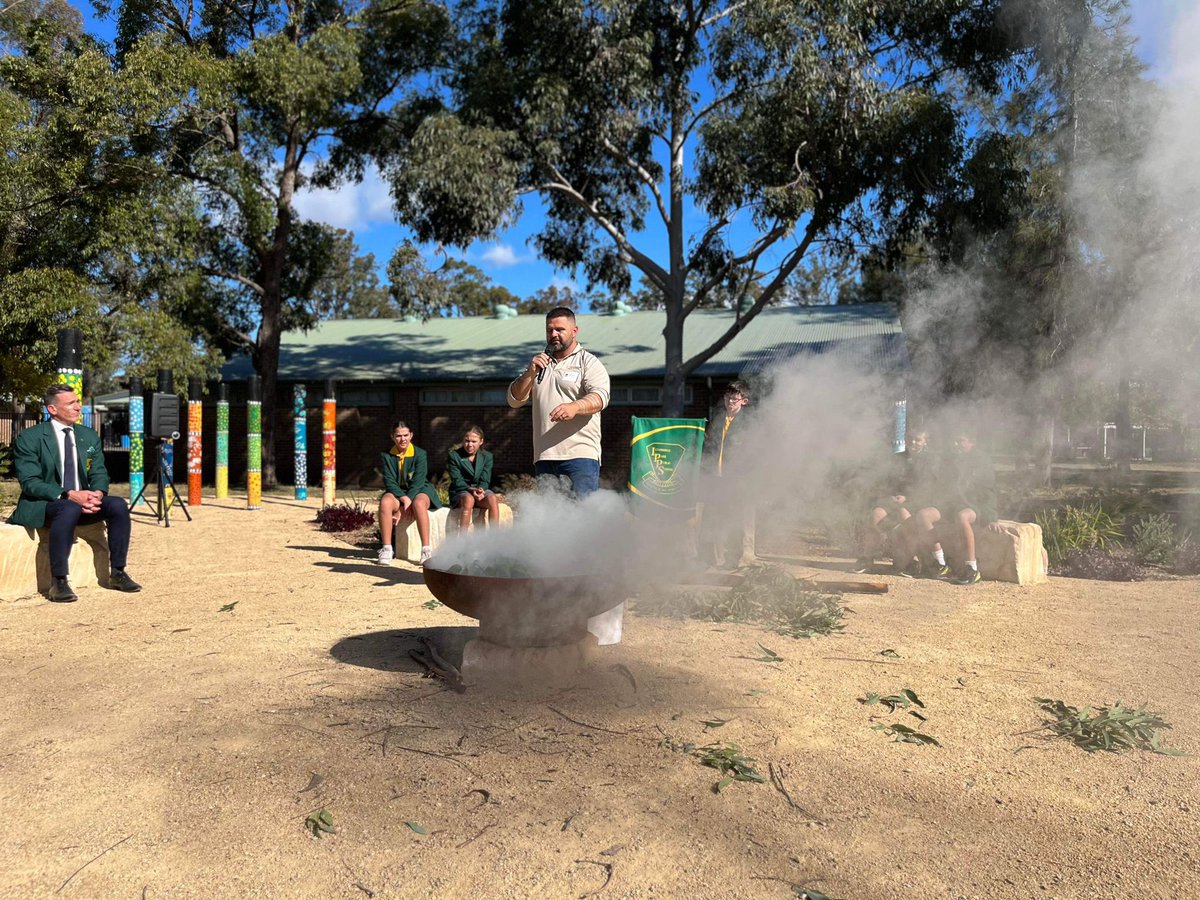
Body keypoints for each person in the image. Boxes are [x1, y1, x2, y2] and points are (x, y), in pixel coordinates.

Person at [8, 384, 142, 602]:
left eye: (78, 401)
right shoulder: (30, 438)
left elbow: (99, 471)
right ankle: (59, 582)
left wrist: (97, 493)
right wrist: (68, 494)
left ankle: (118, 572)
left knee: (117, 504)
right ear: (52, 409)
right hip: (47, 502)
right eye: (71, 403)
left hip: (83, 501)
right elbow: (30, 483)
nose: (78, 407)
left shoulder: (87, 436)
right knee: (69, 507)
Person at [507, 306, 611, 497]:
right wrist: (530, 373)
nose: (553, 334)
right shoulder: (539, 364)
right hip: (544, 457)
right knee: (552, 522)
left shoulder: (589, 362)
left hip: (580, 457)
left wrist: (575, 406)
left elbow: (600, 397)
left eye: (560, 330)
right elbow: (514, 400)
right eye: (549, 330)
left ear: (574, 331)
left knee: (582, 518)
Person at [898, 426, 998, 585]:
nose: (956, 444)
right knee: (924, 515)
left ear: (972, 442)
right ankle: (940, 563)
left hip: (973, 504)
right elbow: (939, 484)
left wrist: (992, 517)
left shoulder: (981, 460)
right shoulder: (949, 459)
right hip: (950, 504)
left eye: (961, 441)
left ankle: (972, 568)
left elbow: (988, 490)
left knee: (962, 516)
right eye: (955, 441)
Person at [853, 429, 949, 578]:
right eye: (910, 439)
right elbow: (888, 481)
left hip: (921, 501)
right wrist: (890, 495)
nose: (913, 442)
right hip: (897, 500)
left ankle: (912, 562)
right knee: (876, 515)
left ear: (925, 442)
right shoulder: (899, 457)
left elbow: (929, 487)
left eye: (917, 439)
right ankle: (867, 558)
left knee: (905, 515)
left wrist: (908, 498)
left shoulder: (932, 460)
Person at [698, 381, 755, 569]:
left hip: (737, 481)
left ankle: (733, 560)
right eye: (727, 398)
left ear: (744, 401)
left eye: (734, 399)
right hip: (715, 478)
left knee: (735, 521)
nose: (730, 402)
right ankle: (706, 559)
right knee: (709, 519)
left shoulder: (750, 424)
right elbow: (708, 447)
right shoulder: (717, 419)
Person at [377, 421, 441, 565]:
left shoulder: (420, 454)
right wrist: (403, 499)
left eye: (406, 435)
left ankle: (426, 550)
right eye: (398, 436)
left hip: (420, 489)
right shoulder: (386, 455)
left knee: (418, 504)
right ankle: (387, 548)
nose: (402, 439)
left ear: (411, 435)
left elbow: (418, 481)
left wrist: (406, 502)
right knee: (385, 502)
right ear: (392, 437)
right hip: (398, 491)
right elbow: (389, 481)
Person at [447, 424, 499, 530]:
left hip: (479, 491)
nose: (469, 444)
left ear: (481, 441)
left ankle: (495, 537)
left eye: (474, 441)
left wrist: (481, 489)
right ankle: (463, 540)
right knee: (468, 499)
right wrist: (471, 490)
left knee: (492, 498)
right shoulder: (454, 456)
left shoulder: (487, 456)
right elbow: (457, 480)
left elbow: (485, 478)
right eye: (467, 441)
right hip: (461, 491)